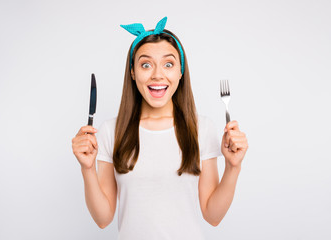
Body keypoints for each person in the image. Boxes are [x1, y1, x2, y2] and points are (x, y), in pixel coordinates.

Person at [72, 16, 248, 240]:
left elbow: (213, 215)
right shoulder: (111, 131)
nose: (157, 74)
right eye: (146, 64)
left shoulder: (201, 128)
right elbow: (103, 218)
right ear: (133, 73)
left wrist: (233, 167)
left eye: (168, 64)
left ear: (181, 71)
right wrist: (87, 168)